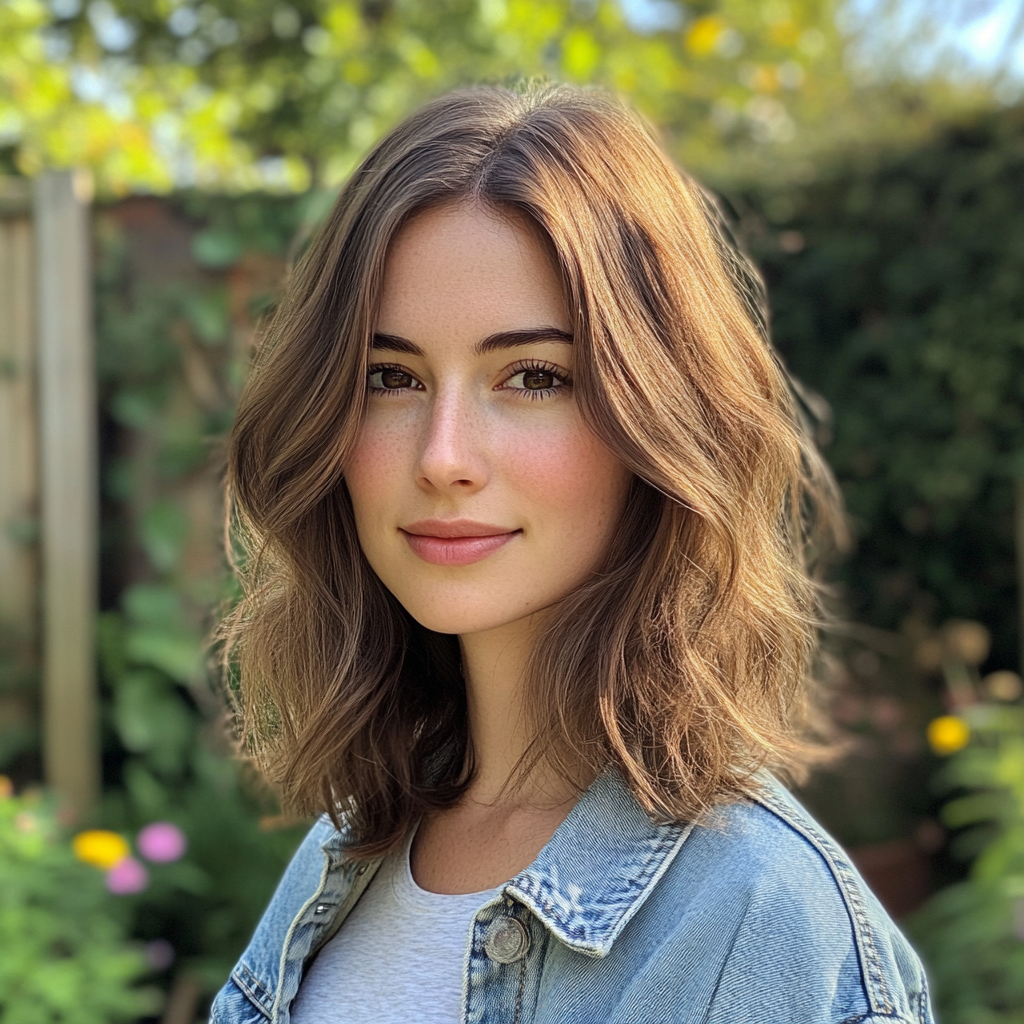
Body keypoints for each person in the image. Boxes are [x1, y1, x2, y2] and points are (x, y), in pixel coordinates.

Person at [210, 83, 934, 1024]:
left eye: (534, 376)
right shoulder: (342, 857)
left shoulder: (762, 925)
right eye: (389, 377)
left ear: (659, 421)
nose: (442, 456)